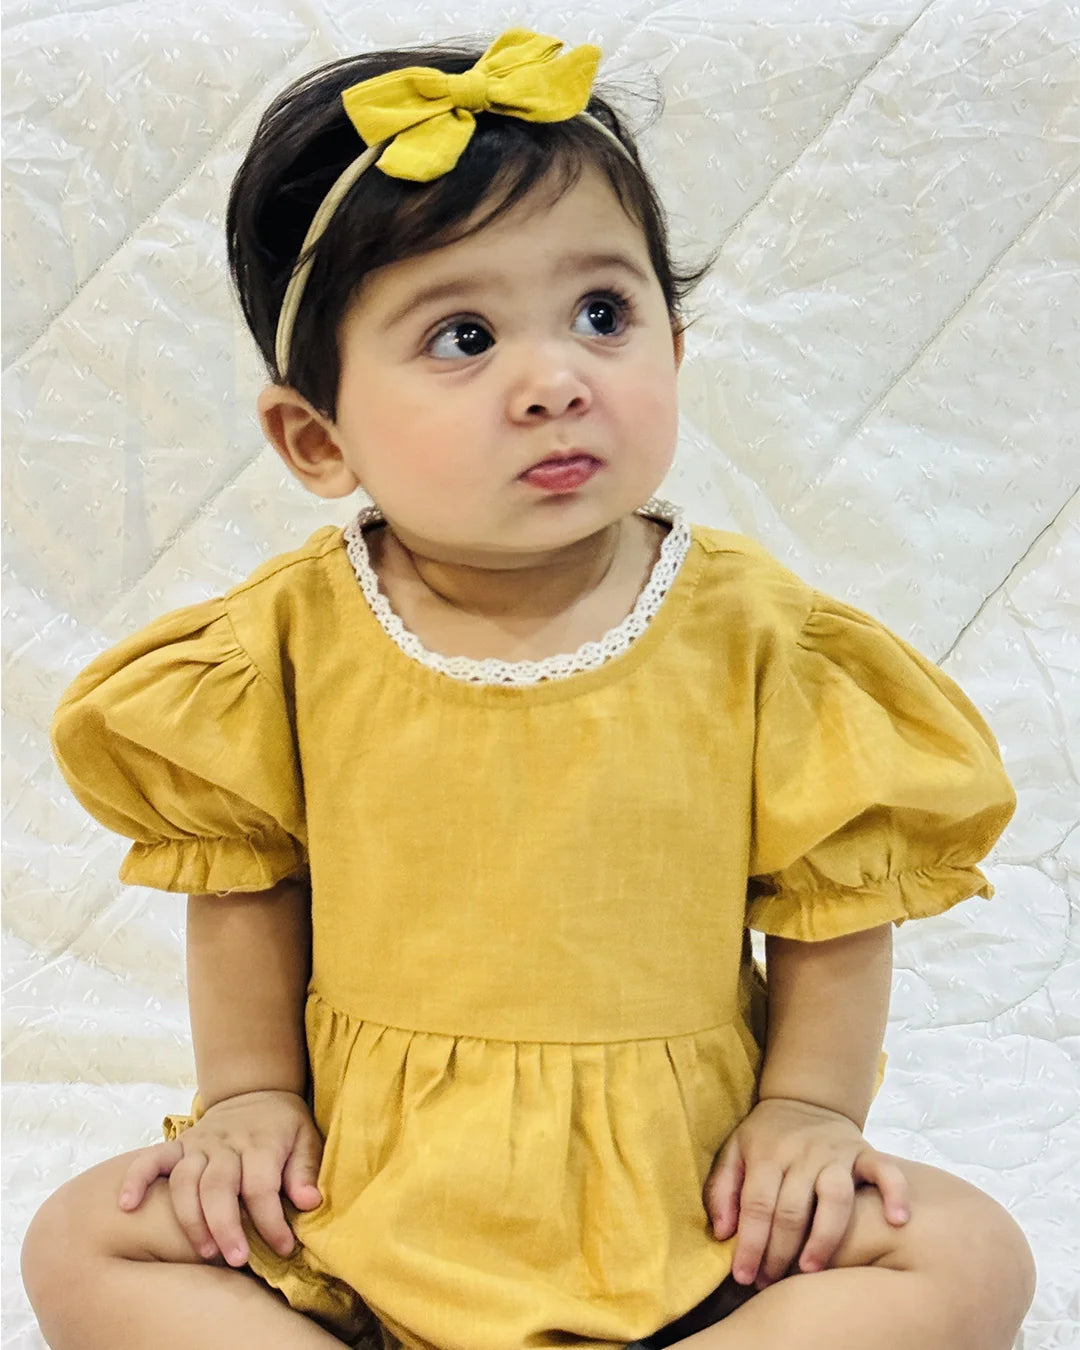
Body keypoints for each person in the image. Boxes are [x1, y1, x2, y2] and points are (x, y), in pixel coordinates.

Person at [20, 26, 1036, 1350]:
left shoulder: (762, 639)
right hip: (364, 1188)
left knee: (969, 1254)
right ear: (316, 437)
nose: (556, 381)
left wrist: (809, 1114)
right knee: (80, 1239)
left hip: (688, 1198)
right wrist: (253, 1098)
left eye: (603, 315)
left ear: (675, 346)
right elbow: (243, 880)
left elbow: (835, 898)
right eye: (464, 336)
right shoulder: (280, 645)